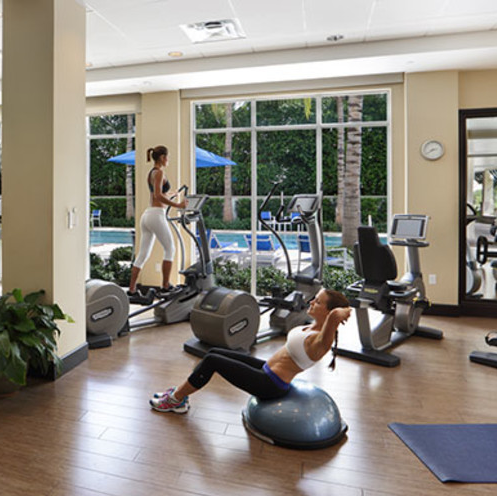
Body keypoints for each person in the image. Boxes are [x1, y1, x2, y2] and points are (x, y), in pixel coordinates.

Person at [150, 288, 351, 413]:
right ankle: (180, 393)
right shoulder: (312, 327)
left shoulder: (321, 343)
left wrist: (341, 312)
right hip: (265, 369)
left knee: (212, 363)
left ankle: (176, 400)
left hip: (270, 384)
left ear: (329, 311)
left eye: (317, 302)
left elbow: (334, 318)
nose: (311, 303)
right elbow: (330, 318)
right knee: (213, 354)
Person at [129, 145, 188, 295]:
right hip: (156, 215)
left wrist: (170, 195)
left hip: (147, 215)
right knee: (170, 249)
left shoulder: (152, 173)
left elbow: (159, 195)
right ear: (162, 157)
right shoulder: (160, 172)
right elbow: (157, 196)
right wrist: (178, 204)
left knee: (143, 254)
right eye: (167, 157)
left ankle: (131, 289)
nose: (168, 160)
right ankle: (165, 286)